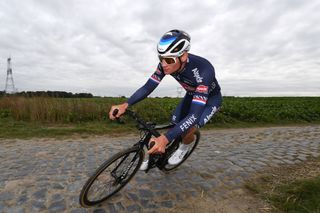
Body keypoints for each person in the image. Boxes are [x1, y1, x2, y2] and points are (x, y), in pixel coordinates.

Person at [109, 29, 222, 170]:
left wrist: (165, 138)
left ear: (184, 55)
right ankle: (156, 155)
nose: (164, 64)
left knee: (189, 128)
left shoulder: (204, 69)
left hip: (210, 100)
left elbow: (194, 114)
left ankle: (184, 147)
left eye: (168, 60)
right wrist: (125, 104)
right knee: (175, 122)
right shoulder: (166, 63)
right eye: (160, 58)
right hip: (191, 95)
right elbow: (148, 87)